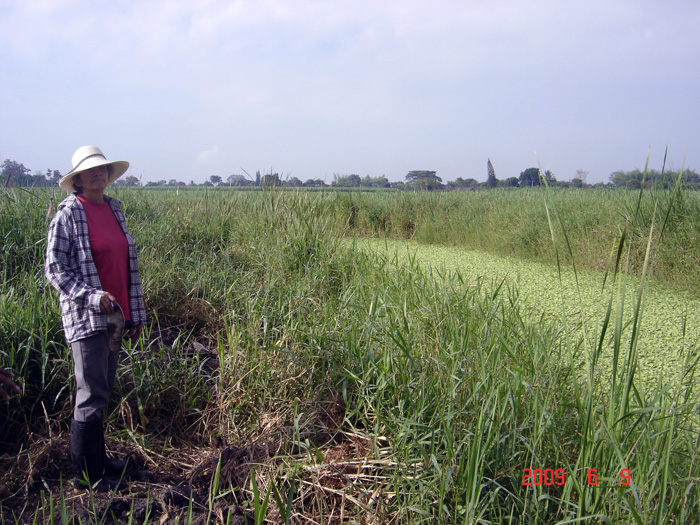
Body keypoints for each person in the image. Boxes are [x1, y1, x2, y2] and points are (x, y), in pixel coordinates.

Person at [45, 146, 146, 492]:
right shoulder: (69, 215)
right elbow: (55, 270)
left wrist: (135, 315)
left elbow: (126, 267)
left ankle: (99, 462)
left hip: (117, 316)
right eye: (89, 171)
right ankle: (86, 475)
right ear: (77, 180)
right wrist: (92, 297)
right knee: (89, 393)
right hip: (86, 318)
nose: (97, 174)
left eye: (101, 169)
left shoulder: (114, 210)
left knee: (101, 390)